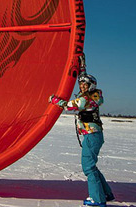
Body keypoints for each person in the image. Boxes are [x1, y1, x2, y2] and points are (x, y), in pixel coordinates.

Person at [49, 73, 115, 207]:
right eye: (81, 84)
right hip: (93, 135)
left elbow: (70, 106)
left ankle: (97, 199)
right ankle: (106, 194)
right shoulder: (93, 97)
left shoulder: (86, 98)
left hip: (91, 136)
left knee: (88, 167)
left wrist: (54, 100)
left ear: (91, 86)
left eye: (85, 84)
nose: (82, 86)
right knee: (92, 166)